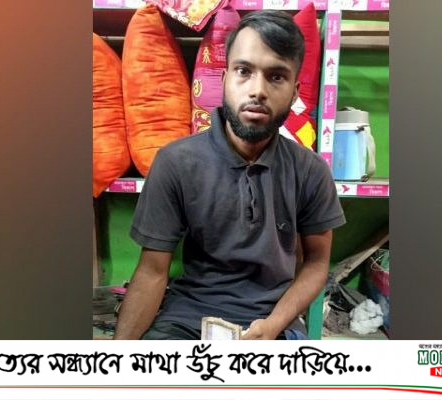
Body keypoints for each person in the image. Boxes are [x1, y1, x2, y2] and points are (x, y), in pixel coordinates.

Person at [113, 10, 345, 340]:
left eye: (276, 76)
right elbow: (152, 272)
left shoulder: (311, 172)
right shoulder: (175, 163)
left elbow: (317, 264)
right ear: (223, 80)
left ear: (294, 93)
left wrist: (272, 326)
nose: (258, 90)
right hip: (187, 318)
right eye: (243, 71)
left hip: (274, 321)